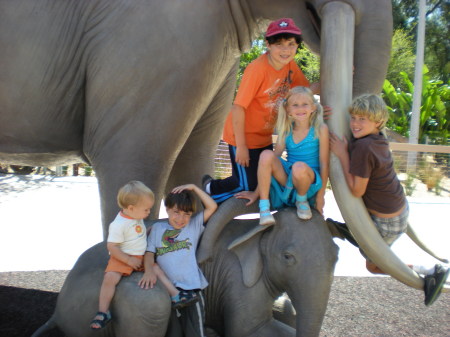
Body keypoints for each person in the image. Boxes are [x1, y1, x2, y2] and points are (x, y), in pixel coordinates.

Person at [328, 94, 449, 306]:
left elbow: (357, 190)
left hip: (387, 222)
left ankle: (428, 273)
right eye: (354, 118)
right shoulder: (377, 138)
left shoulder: (364, 147)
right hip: (398, 209)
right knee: (371, 249)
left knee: (373, 265)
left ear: (378, 121)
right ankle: (350, 232)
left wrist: (341, 154)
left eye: (362, 119)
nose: (355, 124)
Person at [203, 18, 323, 203]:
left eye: (291, 44)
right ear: (267, 44)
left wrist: (335, 77)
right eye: (279, 44)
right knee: (246, 185)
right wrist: (241, 146)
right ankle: (208, 190)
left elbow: (304, 93)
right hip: (242, 136)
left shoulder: (290, 66)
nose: (285, 50)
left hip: (263, 137)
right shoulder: (257, 69)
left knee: (262, 180)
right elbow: (238, 107)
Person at [90, 181, 182, 330]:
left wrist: (146, 233)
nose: (148, 212)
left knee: (157, 269)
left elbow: (135, 235)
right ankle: (103, 311)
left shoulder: (135, 216)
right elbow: (112, 247)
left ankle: (175, 295)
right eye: (146, 209)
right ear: (131, 208)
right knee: (110, 278)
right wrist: (127, 259)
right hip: (123, 257)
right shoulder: (118, 225)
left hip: (140, 256)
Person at [139, 184, 218, 337]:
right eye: (176, 212)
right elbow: (149, 254)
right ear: (167, 209)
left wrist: (193, 188)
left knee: (196, 333)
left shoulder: (193, 226)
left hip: (191, 291)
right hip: (167, 292)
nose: (181, 218)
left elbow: (212, 206)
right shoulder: (157, 229)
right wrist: (148, 271)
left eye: (186, 214)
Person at [252, 86, 329, 225]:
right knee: (266, 155)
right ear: (288, 110)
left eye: (305, 104)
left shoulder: (320, 129)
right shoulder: (286, 130)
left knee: (299, 167)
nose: (300, 108)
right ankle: (264, 208)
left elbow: (324, 163)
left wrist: (320, 196)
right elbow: (270, 162)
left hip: (309, 179)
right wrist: (255, 192)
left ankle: (301, 199)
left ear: (313, 107)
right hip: (289, 177)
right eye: (295, 105)